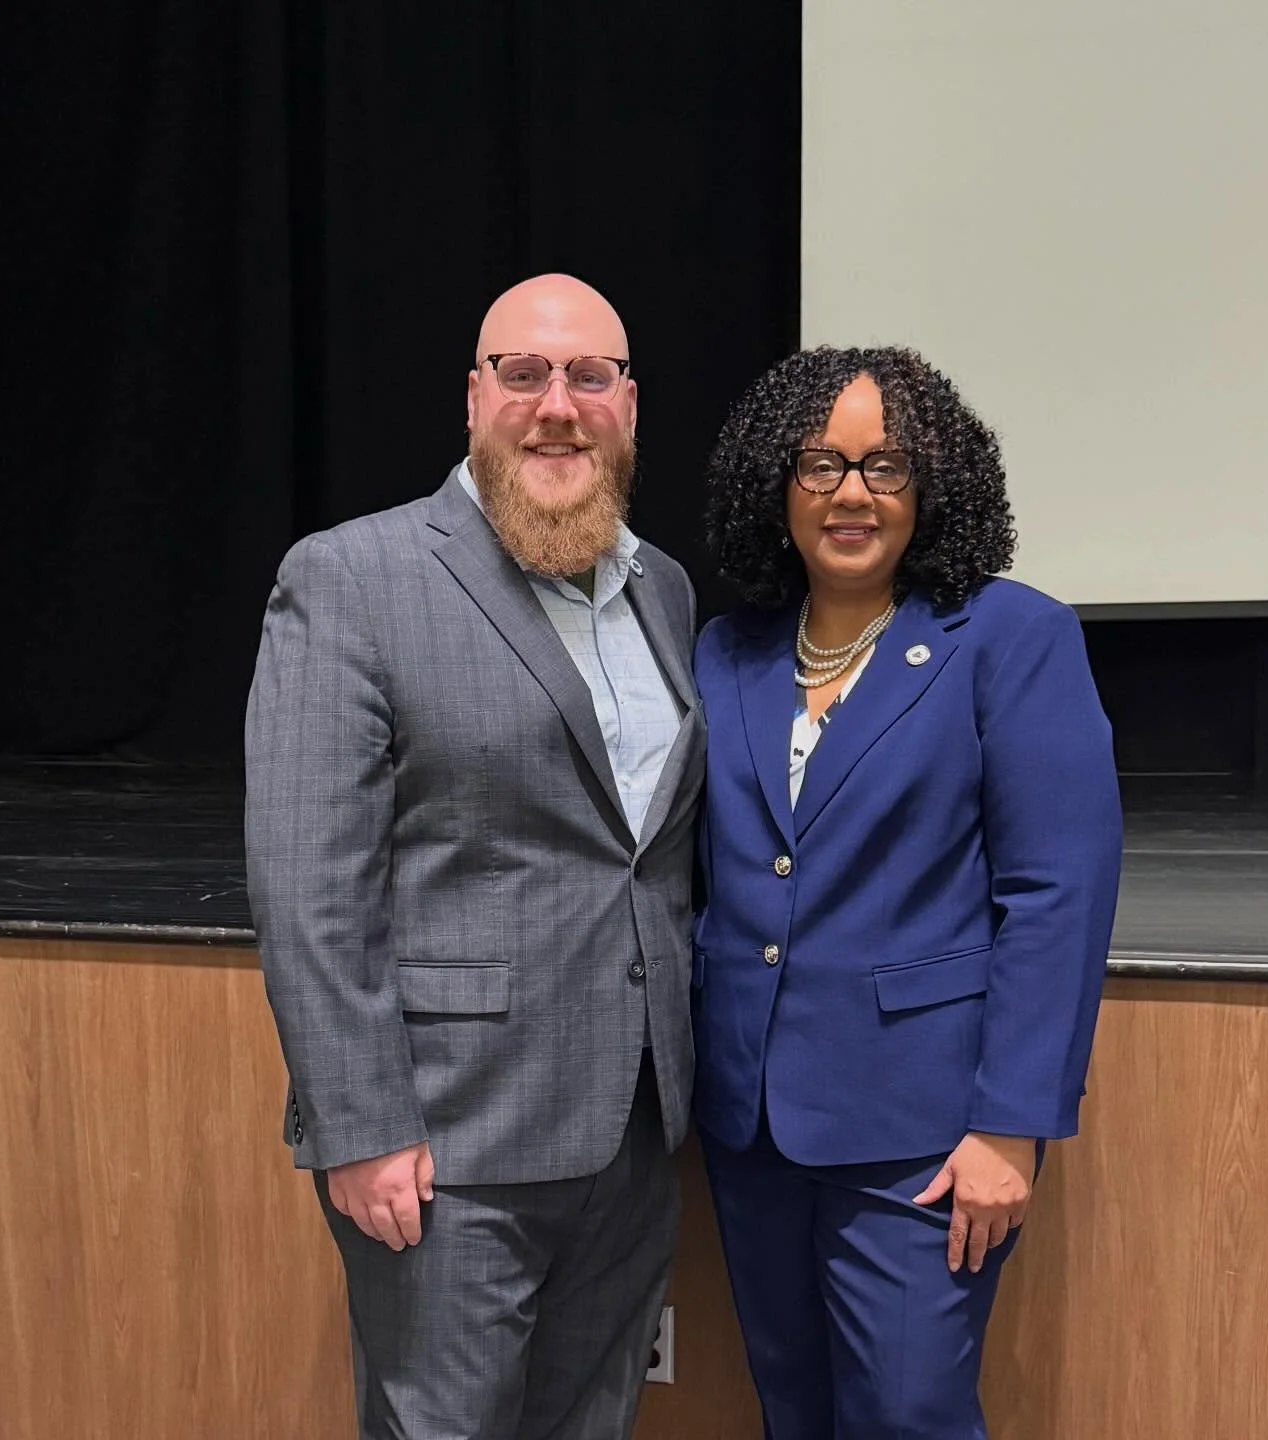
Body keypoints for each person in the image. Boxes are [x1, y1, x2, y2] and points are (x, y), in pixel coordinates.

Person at [244, 274, 706, 1440]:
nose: (558, 404)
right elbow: (308, 881)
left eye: (589, 376)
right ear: (473, 396)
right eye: (524, 373)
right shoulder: (353, 578)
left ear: (629, 404)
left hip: (635, 1135)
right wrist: (360, 1127)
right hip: (451, 1151)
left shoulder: (665, 591)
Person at [692, 346, 1122, 1438]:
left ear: (932, 487)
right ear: (774, 482)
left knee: (908, 1415)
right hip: (752, 1128)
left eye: (884, 466)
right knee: (794, 1412)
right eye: (820, 463)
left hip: (923, 1141)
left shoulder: (1012, 638)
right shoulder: (725, 653)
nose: (850, 493)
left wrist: (1012, 1127)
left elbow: (1055, 891)